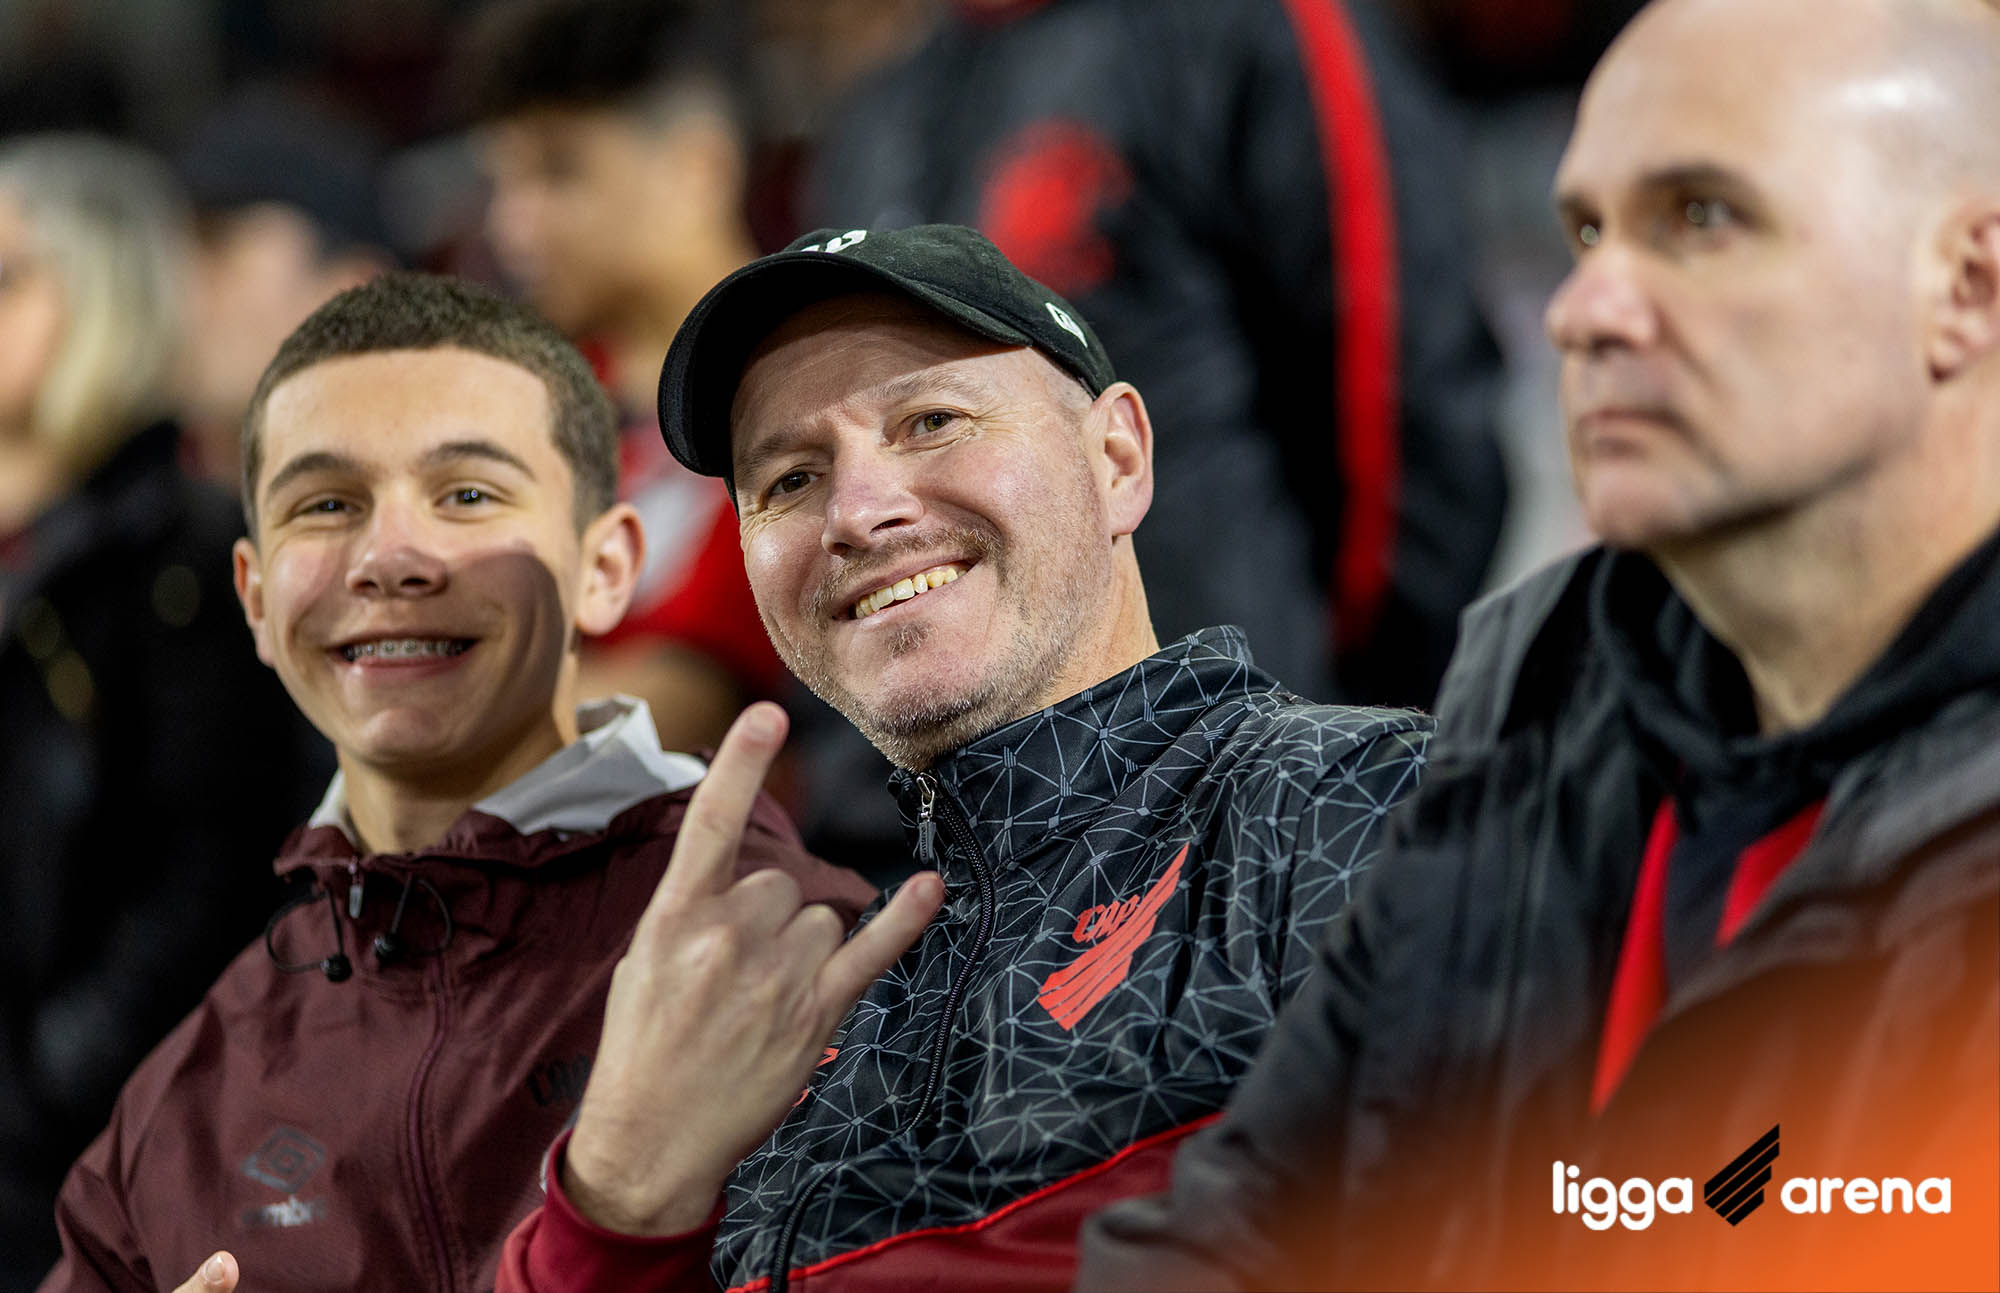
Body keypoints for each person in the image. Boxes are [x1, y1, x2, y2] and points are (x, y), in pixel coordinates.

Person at [1076, 0, 2000, 1288]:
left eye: (1700, 217)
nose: (1585, 310)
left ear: (1968, 284)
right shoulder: (1534, 704)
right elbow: (1238, 1231)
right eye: (1584, 234)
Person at [493, 223, 1433, 1290]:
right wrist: (616, 1202)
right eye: (790, 479)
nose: (856, 512)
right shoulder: (800, 1006)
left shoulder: (1363, 802)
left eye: (931, 422)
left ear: (1116, 459)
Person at [41, 274, 874, 1291]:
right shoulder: (176, 1110)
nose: (390, 557)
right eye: (326, 504)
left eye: (467, 494)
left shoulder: (807, 955)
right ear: (255, 599)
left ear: (606, 567)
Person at [810, 0, 1508, 709]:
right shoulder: (879, 114)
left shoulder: (1247, 15)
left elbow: (1408, 409)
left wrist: (1332, 720)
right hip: (955, 756)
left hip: (1229, 721)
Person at [0, 134, 330, 1291]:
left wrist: (39, 1088)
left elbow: (210, 879)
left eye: (11, 277)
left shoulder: (183, 557)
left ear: (108, 295)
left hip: (88, 1164)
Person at [456, 0, 789, 757]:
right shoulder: (526, 399)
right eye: (503, 182)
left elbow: (673, 710)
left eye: (558, 171)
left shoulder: (794, 386)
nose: (512, 224)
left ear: (698, 167)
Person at [170, 85, 396, 487]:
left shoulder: (438, 515)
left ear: (353, 289)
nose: (176, 281)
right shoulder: (116, 505)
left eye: (218, 246)